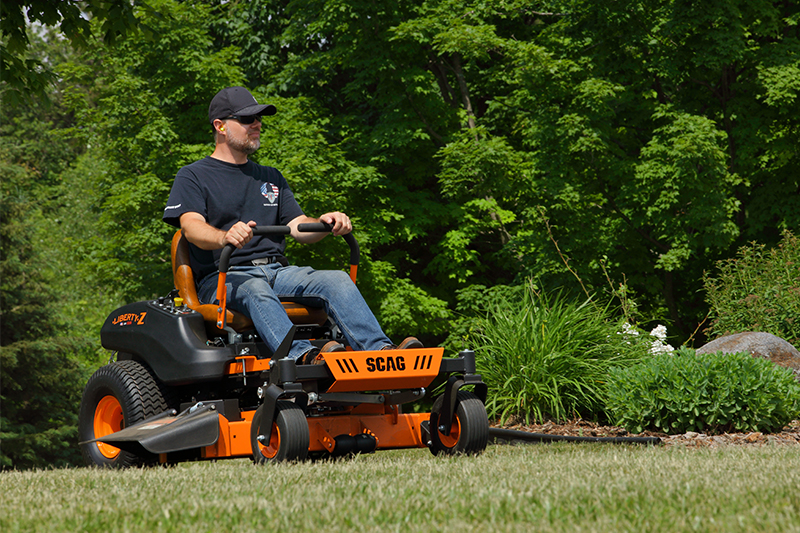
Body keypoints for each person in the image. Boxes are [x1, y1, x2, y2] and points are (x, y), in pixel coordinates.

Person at [163, 86, 421, 363]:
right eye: (248, 119)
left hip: (277, 272)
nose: (257, 124)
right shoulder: (192, 175)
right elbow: (190, 228)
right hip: (224, 278)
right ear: (220, 126)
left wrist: (324, 223)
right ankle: (303, 358)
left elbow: (298, 226)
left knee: (336, 279)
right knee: (255, 289)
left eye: (259, 119)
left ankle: (381, 353)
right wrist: (226, 236)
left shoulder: (270, 176)